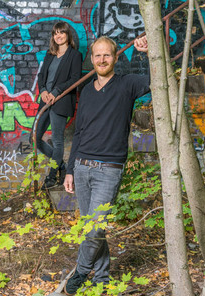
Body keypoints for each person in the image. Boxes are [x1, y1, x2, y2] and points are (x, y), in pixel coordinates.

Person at [62, 36, 150, 294]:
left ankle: (79, 272)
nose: (102, 60)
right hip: (82, 166)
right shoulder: (87, 90)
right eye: (97, 55)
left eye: (107, 55)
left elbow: (152, 80)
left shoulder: (127, 84)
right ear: (92, 59)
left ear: (115, 58)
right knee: (92, 229)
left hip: (109, 169)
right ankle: (101, 280)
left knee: (95, 227)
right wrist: (69, 170)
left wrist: (143, 54)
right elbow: (78, 133)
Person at [34, 22, 82, 189]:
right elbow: (41, 76)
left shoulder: (75, 55)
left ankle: (52, 176)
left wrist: (56, 91)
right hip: (45, 100)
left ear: (67, 35)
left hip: (61, 101)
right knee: (34, 139)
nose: (58, 36)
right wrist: (43, 91)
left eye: (61, 33)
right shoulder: (50, 54)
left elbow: (75, 79)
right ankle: (61, 165)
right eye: (55, 33)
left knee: (57, 141)